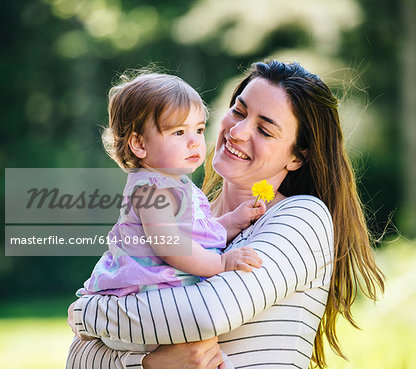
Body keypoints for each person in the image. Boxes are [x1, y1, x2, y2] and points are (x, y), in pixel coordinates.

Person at [67, 60, 385, 369]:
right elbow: (77, 359)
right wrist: (147, 363)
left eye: (264, 129)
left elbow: (207, 314)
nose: (238, 131)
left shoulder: (301, 218)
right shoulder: (187, 214)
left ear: (296, 157)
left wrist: (87, 314)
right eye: (239, 111)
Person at [74, 72, 265, 365]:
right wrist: (221, 263)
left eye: (199, 130)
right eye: (178, 133)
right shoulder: (150, 189)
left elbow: (197, 234)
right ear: (139, 145)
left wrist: (232, 221)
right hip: (143, 301)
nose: (194, 143)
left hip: (161, 303)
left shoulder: (175, 184)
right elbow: (171, 245)